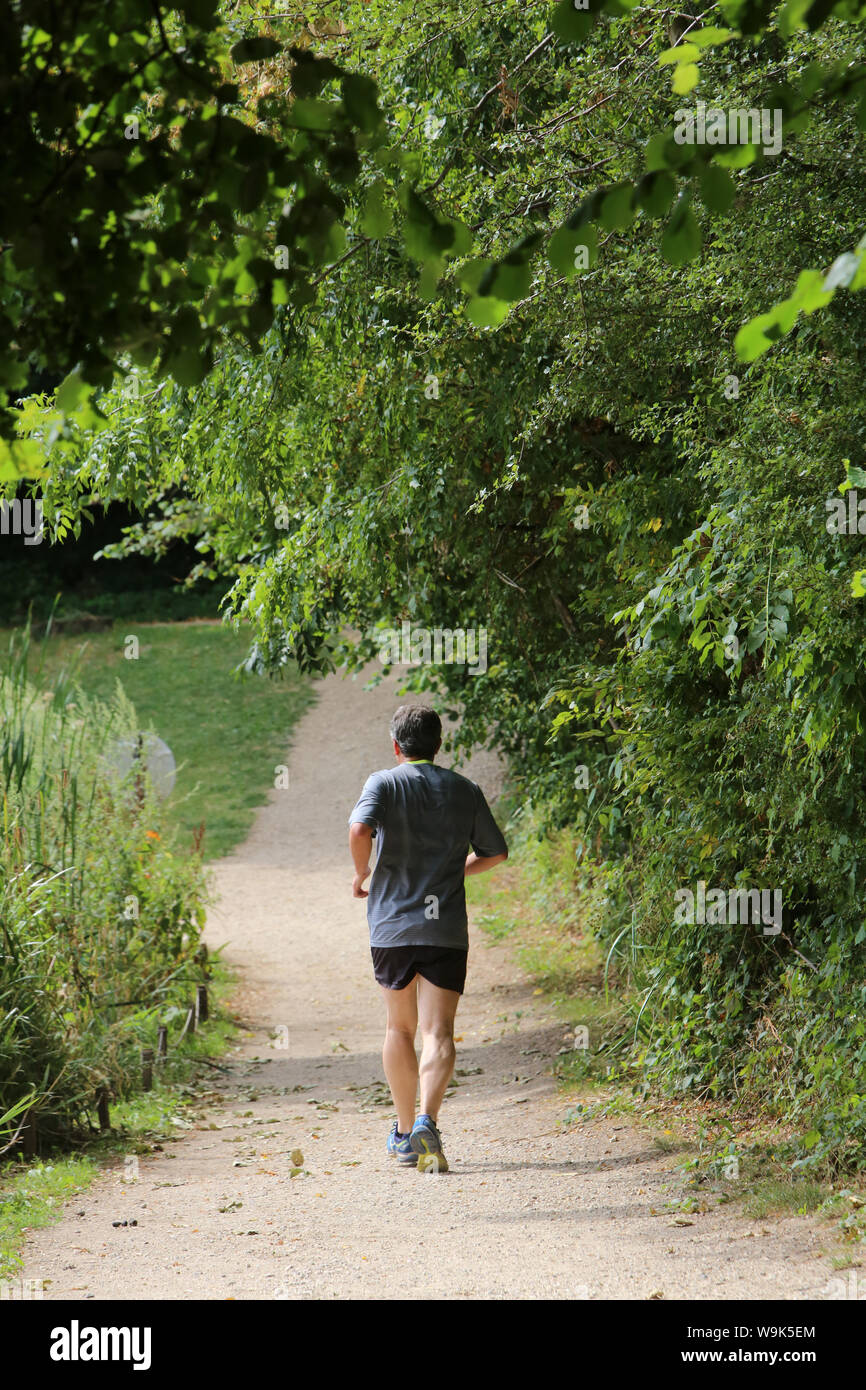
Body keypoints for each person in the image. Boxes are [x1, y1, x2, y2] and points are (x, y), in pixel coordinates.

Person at [348, 704, 508, 1172]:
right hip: (444, 930)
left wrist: (362, 874)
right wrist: (456, 869)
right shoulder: (464, 789)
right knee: (438, 1031)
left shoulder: (383, 782)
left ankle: (402, 1134)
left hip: (393, 927)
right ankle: (427, 1120)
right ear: (438, 746)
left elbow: (360, 828)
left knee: (399, 1028)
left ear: (396, 746)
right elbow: (495, 853)